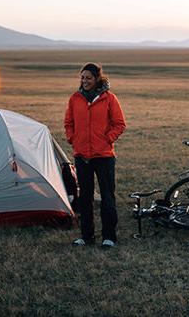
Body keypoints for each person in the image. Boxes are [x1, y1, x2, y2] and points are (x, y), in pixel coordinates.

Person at [64, 63, 126, 248]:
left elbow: (119, 124)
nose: (84, 81)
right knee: (85, 198)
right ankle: (87, 235)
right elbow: (69, 122)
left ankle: (109, 237)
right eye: (82, 78)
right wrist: (72, 139)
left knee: (107, 197)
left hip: (104, 156)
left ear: (97, 79)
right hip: (82, 155)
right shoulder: (75, 98)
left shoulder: (109, 98)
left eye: (88, 78)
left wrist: (107, 139)